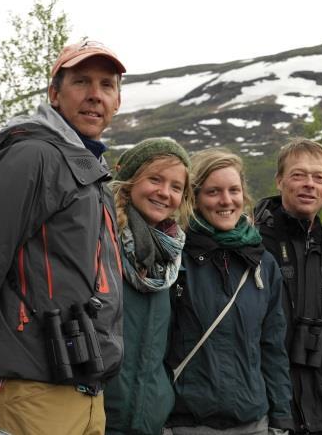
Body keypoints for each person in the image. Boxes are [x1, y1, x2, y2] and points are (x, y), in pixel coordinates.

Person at [0, 40, 126, 435]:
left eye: (107, 85)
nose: (95, 95)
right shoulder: (32, 158)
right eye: (81, 82)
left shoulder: (89, 168)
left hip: (84, 394)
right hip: (28, 392)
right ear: (54, 94)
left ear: (118, 101)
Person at [165, 148, 293, 435]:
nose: (226, 201)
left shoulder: (263, 263)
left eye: (234, 190)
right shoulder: (176, 259)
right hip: (188, 423)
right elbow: (155, 351)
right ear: (194, 198)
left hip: (254, 422)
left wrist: (281, 420)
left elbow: (272, 348)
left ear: (243, 195)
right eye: (213, 192)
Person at [254, 138, 322, 434]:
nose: (309, 184)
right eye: (298, 175)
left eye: (319, 177)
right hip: (268, 414)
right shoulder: (253, 243)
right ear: (280, 180)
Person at [104, 138, 194, 435]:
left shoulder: (171, 255)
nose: (164, 193)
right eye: (155, 179)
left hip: (148, 421)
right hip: (96, 417)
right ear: (130, 181)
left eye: (176, 186)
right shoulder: (101, 238)